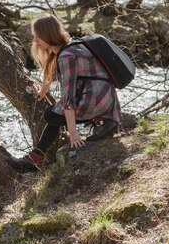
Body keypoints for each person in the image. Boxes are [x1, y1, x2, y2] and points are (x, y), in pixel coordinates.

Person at [9, 14, 121, 172]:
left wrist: (73, 133)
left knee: (51, 115)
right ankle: (35, 158)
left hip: (96, 100)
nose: (35, 41)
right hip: (107, 100)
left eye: (37, 37)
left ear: (48, 35)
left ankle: (34, 159)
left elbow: (68, 97)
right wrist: (42, 90)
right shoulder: (71, 46)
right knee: (55, 113)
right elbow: (54, 73)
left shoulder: (66, 56)